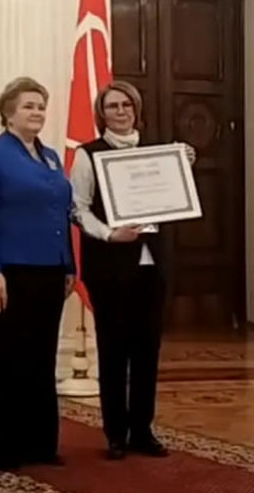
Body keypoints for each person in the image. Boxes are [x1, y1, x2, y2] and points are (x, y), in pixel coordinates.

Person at [69, 80, 194, 461]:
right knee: (113, 351)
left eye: (126, 105)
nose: (120, 112)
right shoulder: (88, 155)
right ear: (101, 114)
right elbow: (78, 208)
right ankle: (116, 434)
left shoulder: (160, 151)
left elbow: (175, 196)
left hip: (152, 267)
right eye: (112, 106)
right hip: (109, 266)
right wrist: (110, 234)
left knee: (147, 351)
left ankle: (142, 430)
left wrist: (184, 163)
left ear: (136, 109)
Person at [0, 76, 77, 471]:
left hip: (48, 272)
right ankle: (1, 449)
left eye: (41, 106)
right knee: (2, 360)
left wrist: (68, 264)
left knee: (39, 359)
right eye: (28, 106)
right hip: (6, 274)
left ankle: (39, 444)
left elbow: (61, 213)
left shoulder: (51, 158)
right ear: (8, 113)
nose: (37, 112)